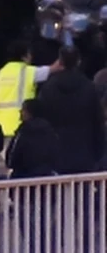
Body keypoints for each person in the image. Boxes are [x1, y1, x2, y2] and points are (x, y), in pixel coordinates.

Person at [35, 46, 104, 175]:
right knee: (84, 192)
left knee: (58, 192)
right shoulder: (89, 87)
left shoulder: (48, 88)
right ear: (78, 61)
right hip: (85, 149)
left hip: (56, 151)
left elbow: (42, 118)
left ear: (60, 62)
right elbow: (97, 120)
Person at [0, 40, 55, 140]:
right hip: (21, 128)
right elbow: (55, 68)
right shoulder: (29, 72)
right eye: (29, 54)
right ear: (24, 56)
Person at [6, 100, 60, 179]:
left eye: (23, 109)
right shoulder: (50, 131)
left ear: (30, 113)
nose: (20, 112)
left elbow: (11, 159)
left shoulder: (23, 132)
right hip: (46, 176)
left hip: (22, 176)